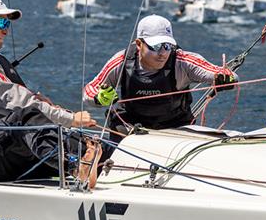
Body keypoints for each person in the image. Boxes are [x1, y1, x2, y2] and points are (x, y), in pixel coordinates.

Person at [0, 0, 101, 185]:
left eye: (7, 24)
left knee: (91, 144)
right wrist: (70, 118)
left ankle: (94, 166)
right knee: (26, 115)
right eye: (1, 23)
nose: (5, 31)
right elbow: (18, 103)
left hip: (8, 149)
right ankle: (75, 167)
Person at [83, 14, 237, 135]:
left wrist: (225, 78)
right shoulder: (121, 61)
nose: (163, 53)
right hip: (130, 125)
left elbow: (223, 74)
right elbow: (90, 90)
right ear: (139, 44)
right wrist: (99, 98)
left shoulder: (182, 61)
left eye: (167, 45)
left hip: (175, 126)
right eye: (156, 46)